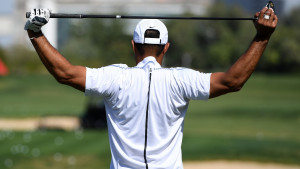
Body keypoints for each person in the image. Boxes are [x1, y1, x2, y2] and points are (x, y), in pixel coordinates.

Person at [25, 6, 277, 169]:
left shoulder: (115, 77)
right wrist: (262, 37)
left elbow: (65, 73)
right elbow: (232, 81)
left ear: (133, 46)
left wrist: (36, 33)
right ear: (166, 48)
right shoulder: (180, 80)